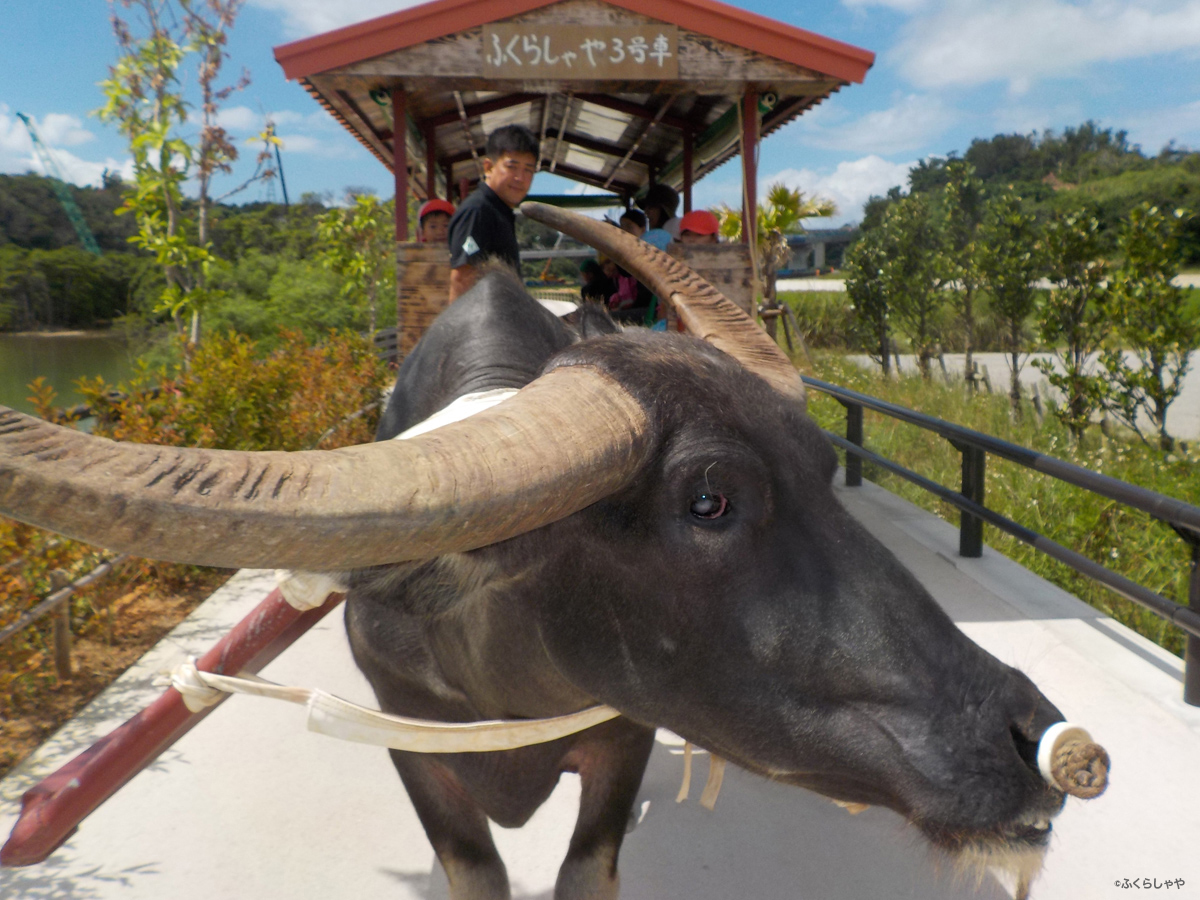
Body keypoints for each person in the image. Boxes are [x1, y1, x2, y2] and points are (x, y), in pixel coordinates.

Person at [446, 124, 538, 301]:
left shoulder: (500, 211)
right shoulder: (478, 211)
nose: (520, 178)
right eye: (512, 166)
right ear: (488, 167)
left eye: (528, 169)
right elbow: (462, 279)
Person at [638, 184, 680, 250]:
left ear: (663, 210)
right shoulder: (649, 237)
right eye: (645, 208)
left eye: (651, 207)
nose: (646, 212)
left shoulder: (679, 235)